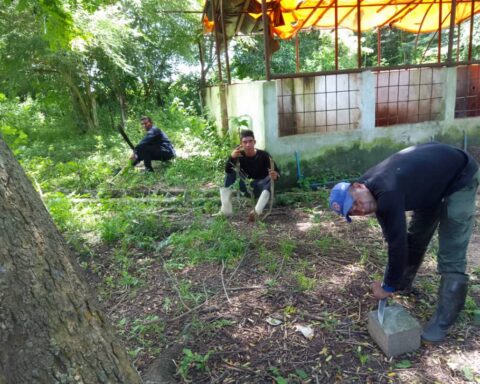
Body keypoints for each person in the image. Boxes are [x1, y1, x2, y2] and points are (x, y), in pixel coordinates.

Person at [329, 142, 479, 343]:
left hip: (460, 175)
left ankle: (443, 322)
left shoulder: (386, 191)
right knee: (416, 236)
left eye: (356, 203)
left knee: (451, 250)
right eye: (353, 212)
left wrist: (387, 286)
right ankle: (403, 283)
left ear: (358, 186)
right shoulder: (372, 193)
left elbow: (397, 245)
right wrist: (391, 282)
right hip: (431, 185)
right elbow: (395, 238)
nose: (360, 210)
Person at [220, 129, 280, 221]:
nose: (248, 144)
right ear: (241, 144)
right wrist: (232, 157)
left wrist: (275, 176)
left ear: (254, 142)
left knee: (269, 178)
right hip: (245, 186)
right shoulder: (239, 155)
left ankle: (256, 212)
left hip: (261, 187)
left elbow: (276, 172)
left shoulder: (264, 155)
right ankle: (226, 210)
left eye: (250, 141)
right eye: (245, 142)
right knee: (231, 173)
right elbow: (228, 170)